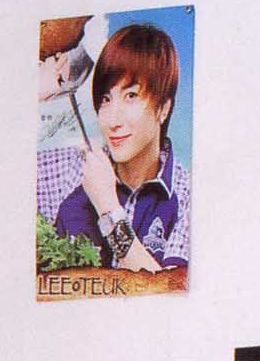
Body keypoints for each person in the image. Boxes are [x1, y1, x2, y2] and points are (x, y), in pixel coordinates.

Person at [38, 20, 189, 275]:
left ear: (163, 109)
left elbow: (167, 288)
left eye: (131, 96)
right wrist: (39, 89)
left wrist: (107, 207)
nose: (112, 121)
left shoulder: (186, 196)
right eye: (106, 99)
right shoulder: (68, 169)